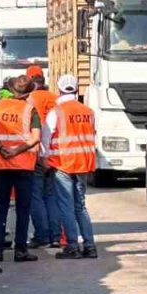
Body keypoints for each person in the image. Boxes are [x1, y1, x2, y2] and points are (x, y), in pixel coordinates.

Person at [0, 76, 42, 262]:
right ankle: (20, 250)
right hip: (24, 166)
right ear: (28, 93)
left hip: (1, 165)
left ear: (11, 89)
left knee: (1, 207)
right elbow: (35, 138)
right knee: (22, 208)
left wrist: (1, 148)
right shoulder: (30, 110)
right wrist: (17, 150)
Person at [45, 75, 99, 259]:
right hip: (83, 163)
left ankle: (72, 246)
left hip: (63, 164)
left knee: (66, 207)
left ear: (59, 90)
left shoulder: (56, 112)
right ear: (76, 90)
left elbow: (45, 138)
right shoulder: (88, 112)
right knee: (80, 206)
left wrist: (44, 158)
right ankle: (90, 246)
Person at [25, 67, 62, 249]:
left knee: (36, 196)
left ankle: (42, 235)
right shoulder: (55, 98)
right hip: (56, 155)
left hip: (37, 153)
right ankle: (55, 236)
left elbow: (36, 130)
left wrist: (39, 154)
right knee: (51, 196)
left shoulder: (29, 100)